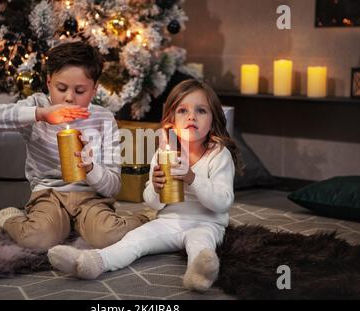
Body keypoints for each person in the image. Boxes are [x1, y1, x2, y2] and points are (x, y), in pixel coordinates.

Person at [47, 79, 243, 292]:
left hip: (207, 223)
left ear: (213, 117)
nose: (191, 116)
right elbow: (152, 202)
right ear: (171, 119)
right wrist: (157, 189)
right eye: (182, 110)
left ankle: (198, 274)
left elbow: (222, 203)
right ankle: (92, 262)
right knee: (135, 239)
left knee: (201, 245)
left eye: (201, 110)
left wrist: (191, 178)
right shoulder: (165, 152)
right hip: (170, 221)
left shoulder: (218, 154)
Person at [0, 41, 151, 250]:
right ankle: (6, 219)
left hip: (91, 198)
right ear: (49, 82)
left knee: (109, 236)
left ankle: (147, 219)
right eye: (61, 88)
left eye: (80, 90)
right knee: (36, 239)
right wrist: (39, 115)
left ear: (94, 89)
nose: (69, 97)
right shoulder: (37, 108)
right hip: (48, 194)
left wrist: (90, 169)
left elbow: (113, 187)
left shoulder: (104, 119)